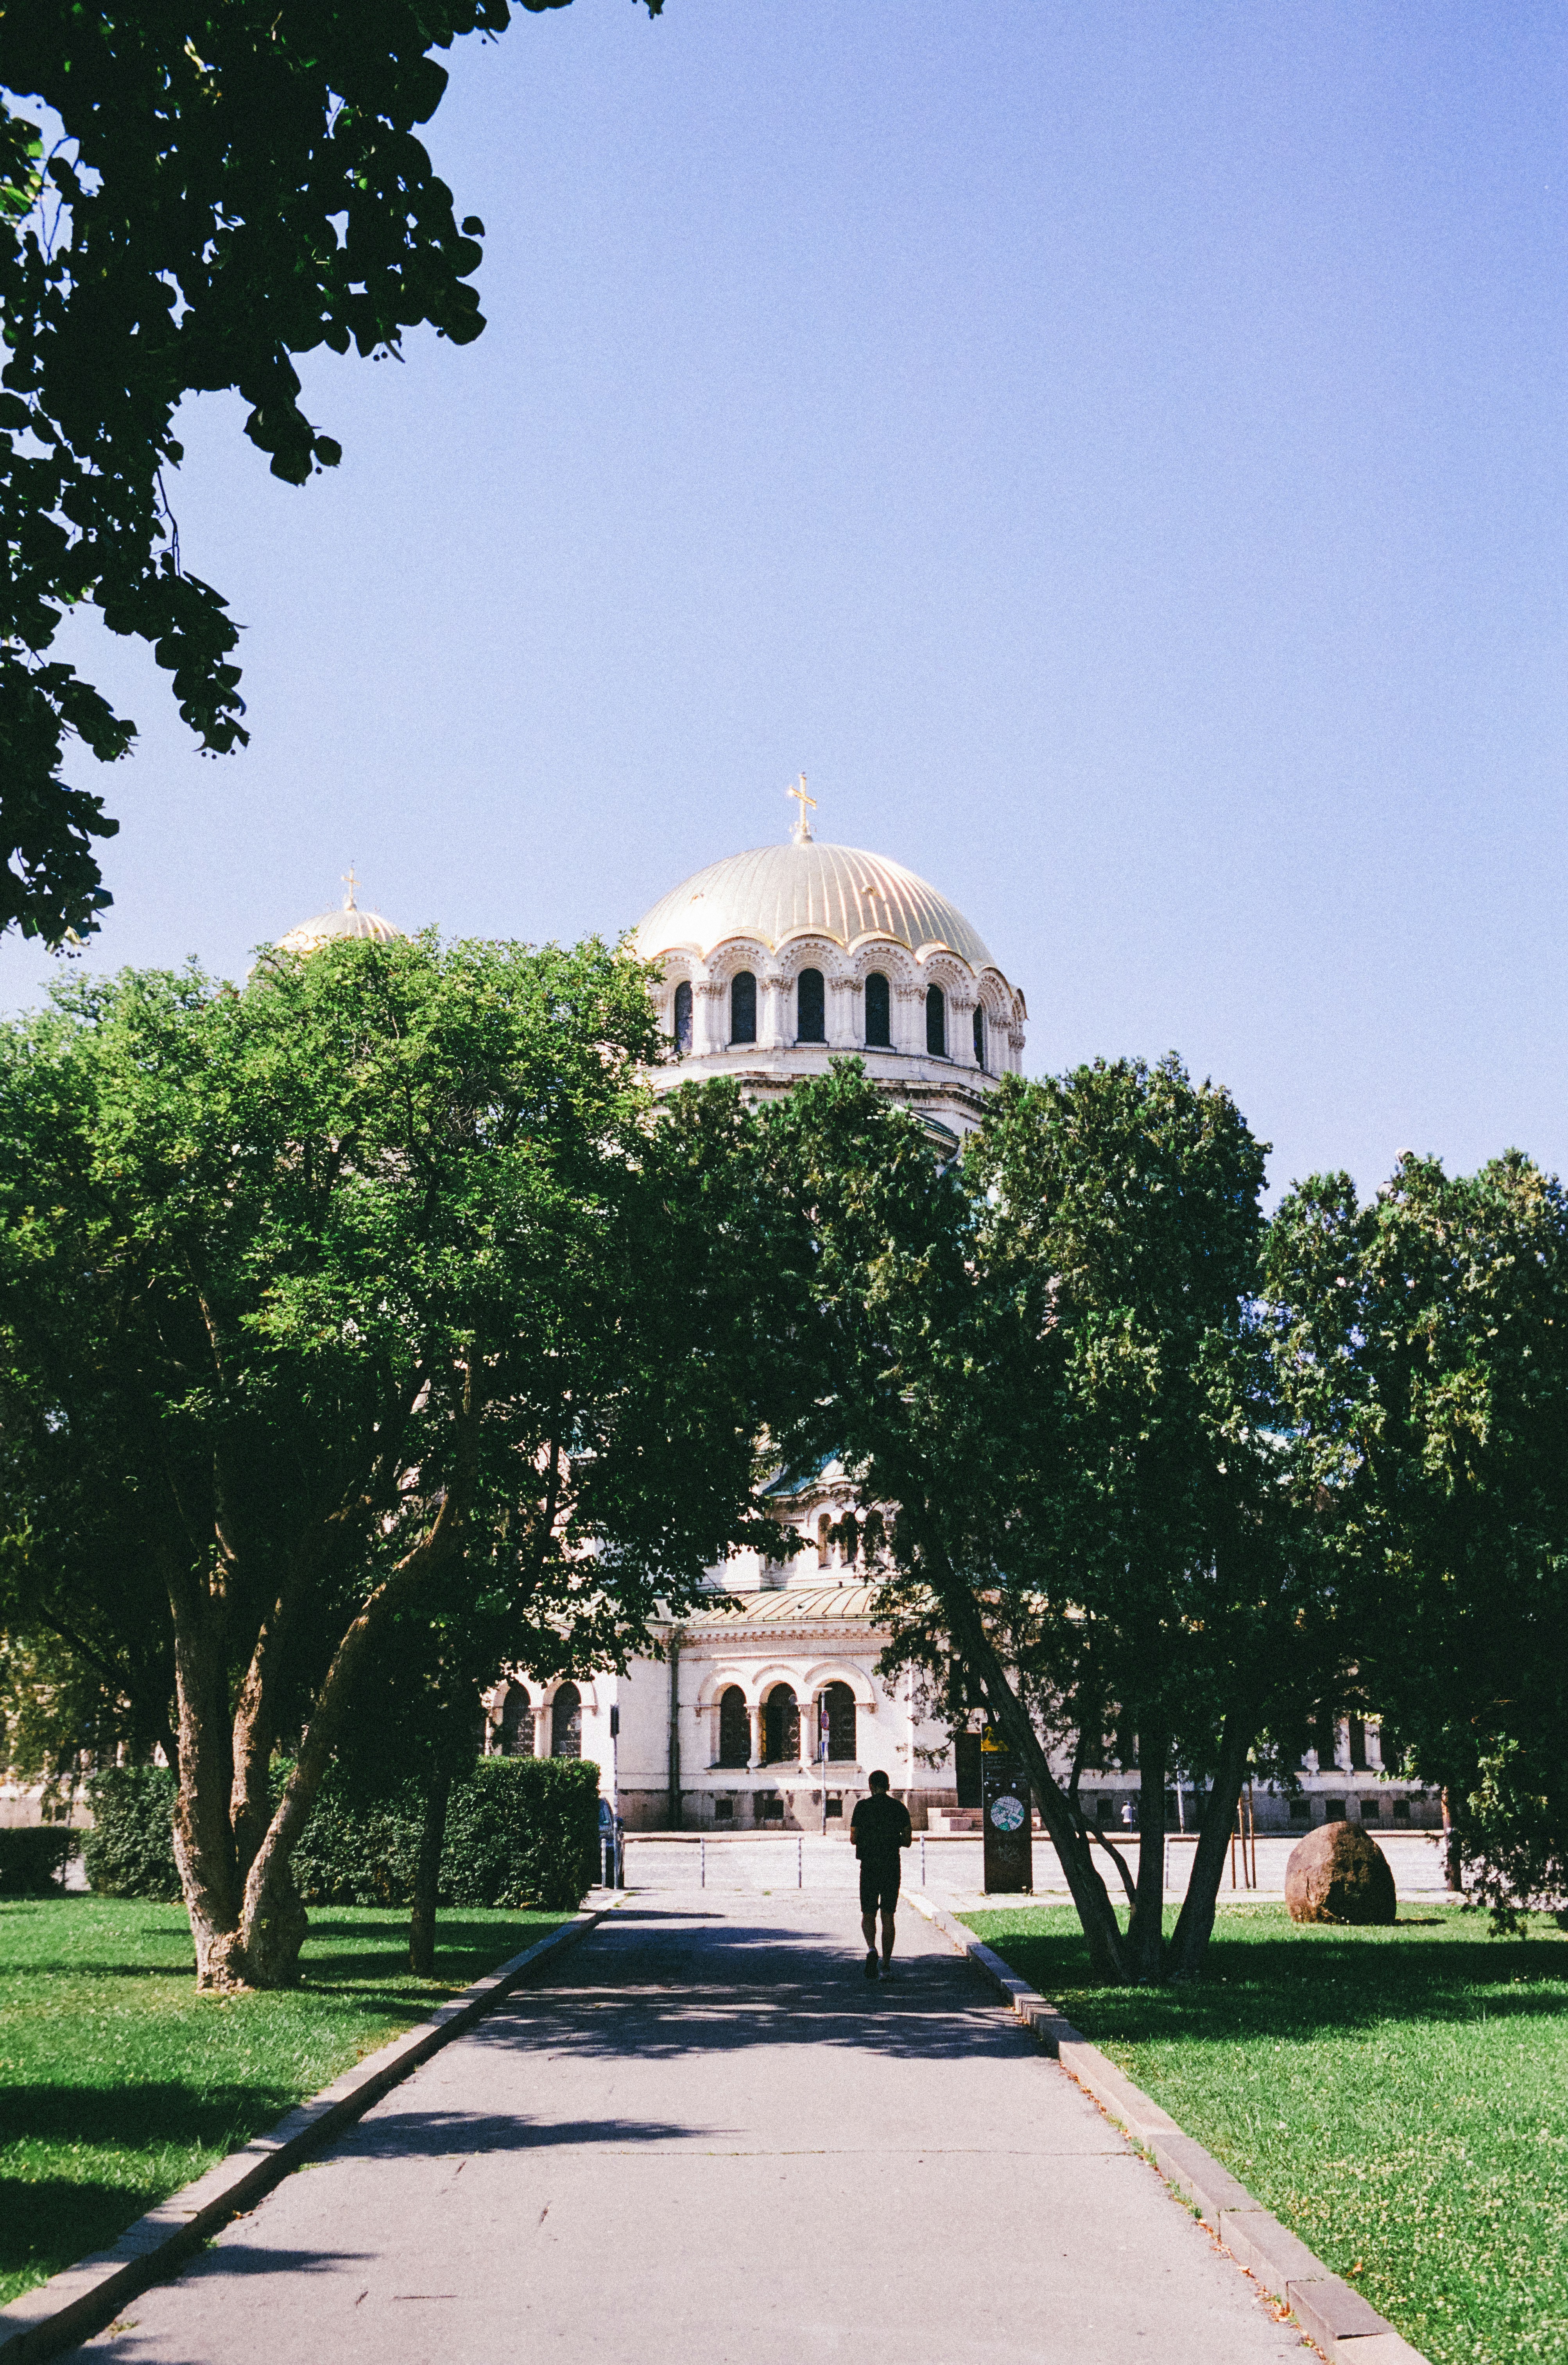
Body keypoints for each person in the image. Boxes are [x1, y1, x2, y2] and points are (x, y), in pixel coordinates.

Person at [850, 1769, 911, 1980]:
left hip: (869, 1867)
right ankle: (886, 1964)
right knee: (888, 1916)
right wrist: (892, 1839)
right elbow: (908, 1840)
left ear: (871, 1786)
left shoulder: (862, 1807)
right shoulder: (899, 1808)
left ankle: (871, 1949)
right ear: (888, 1786)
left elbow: (853, 1837)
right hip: (891, 1867)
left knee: (868, 1913)